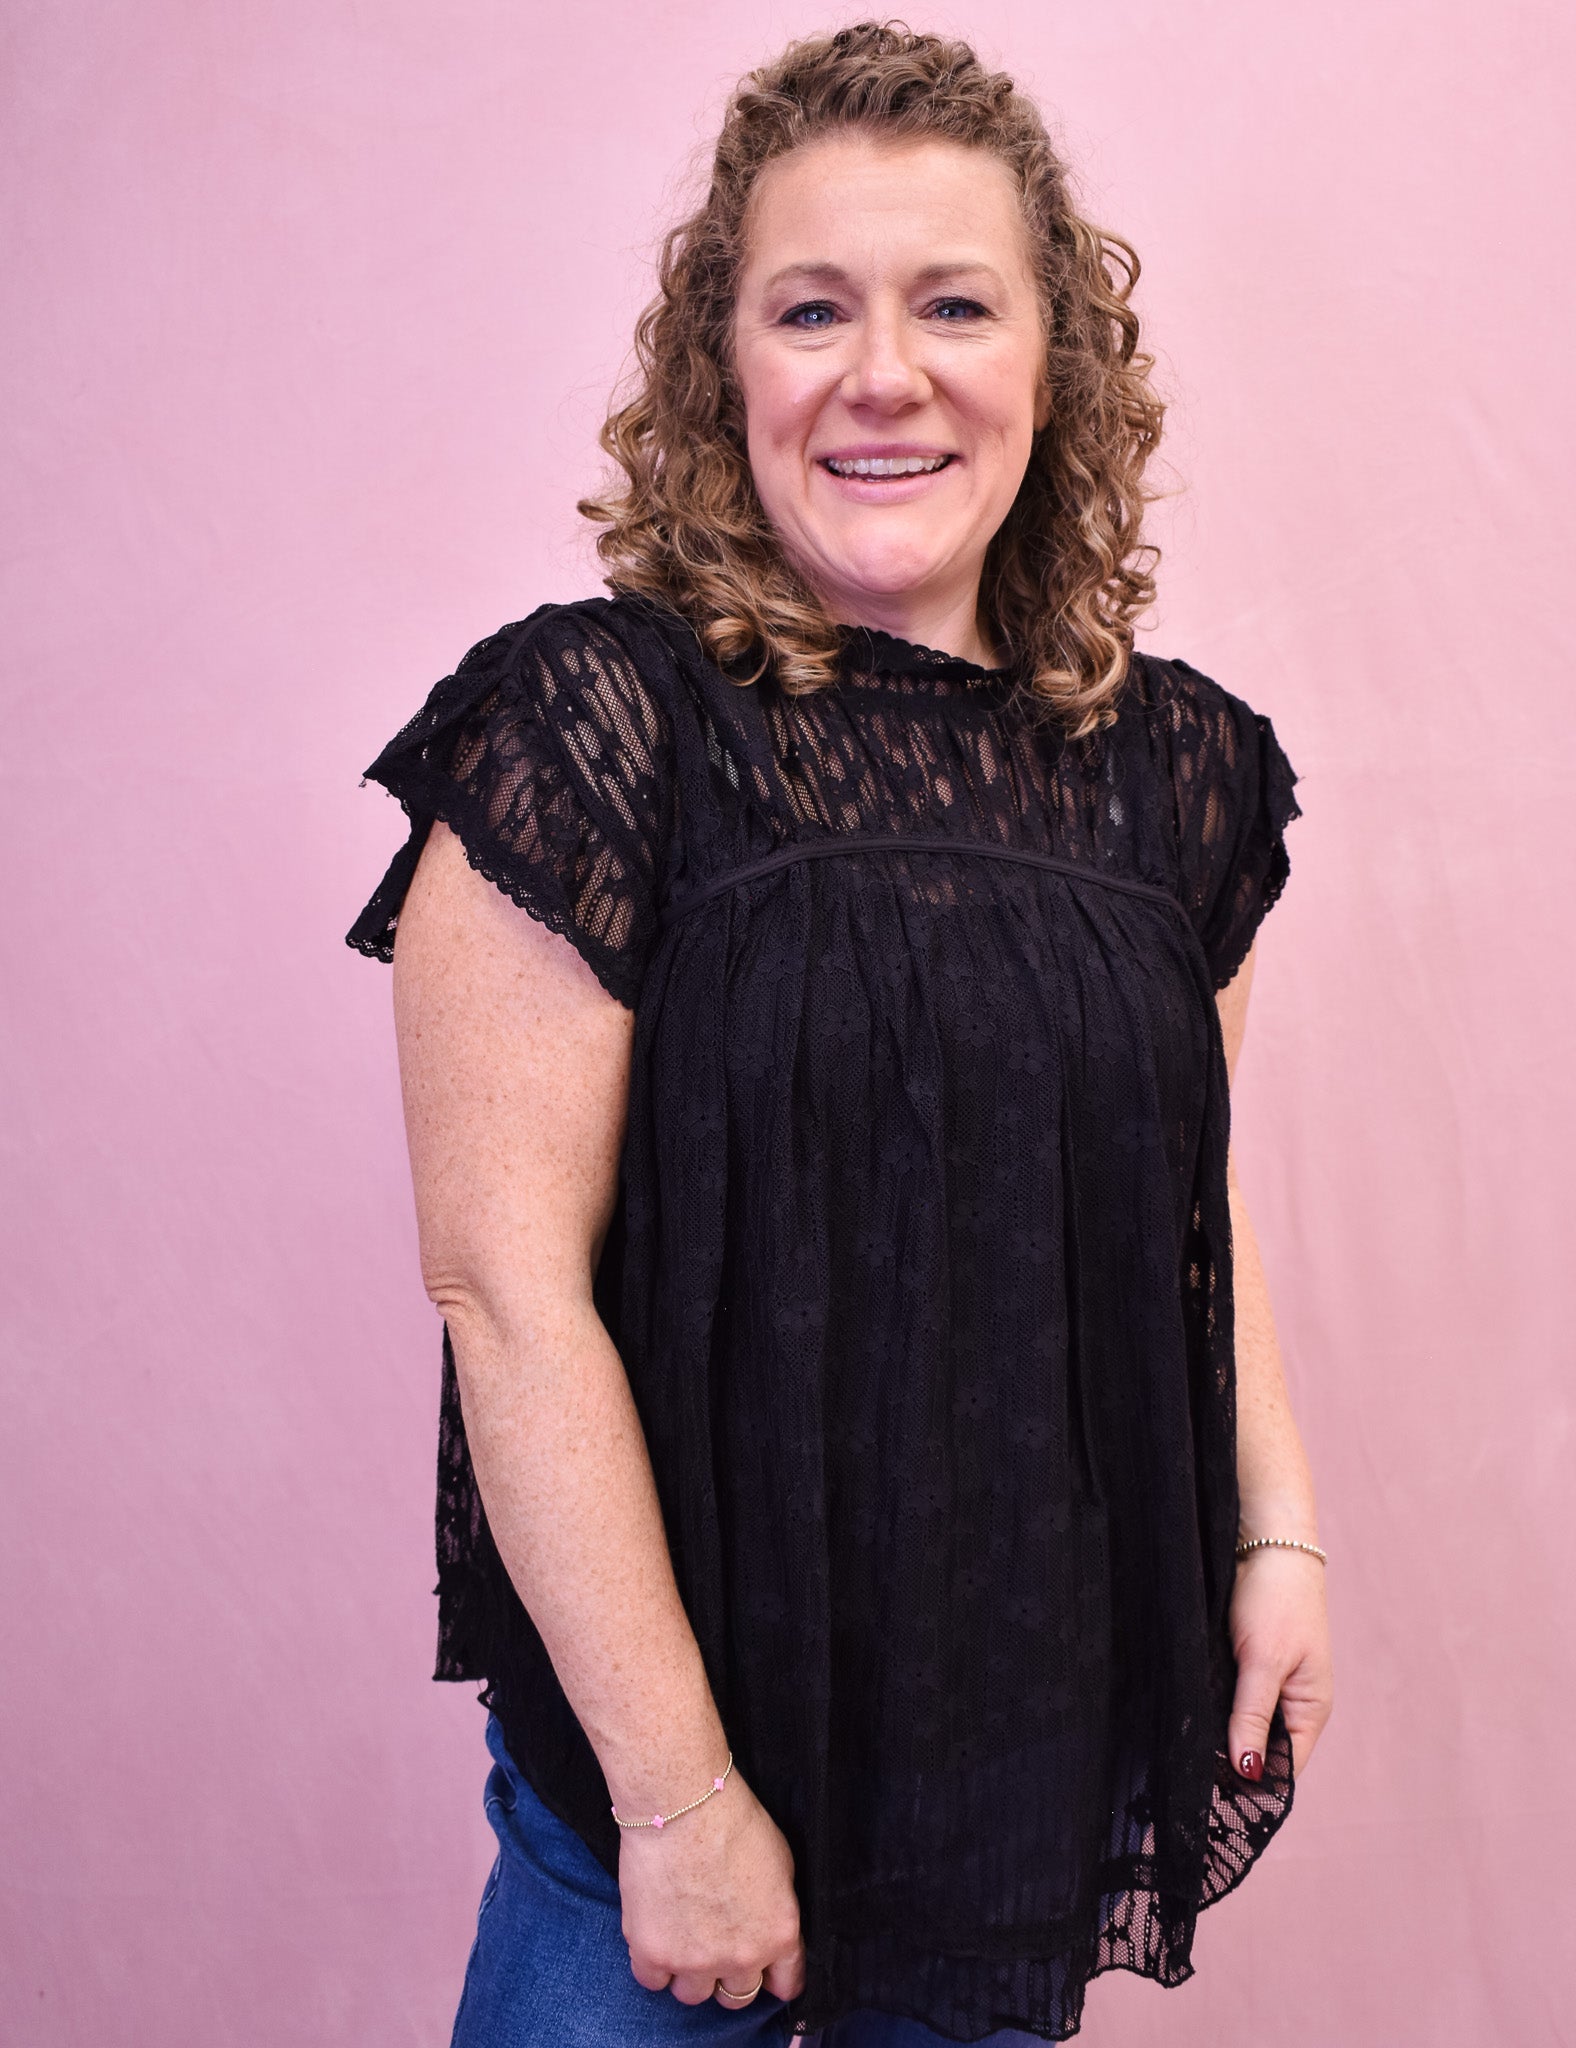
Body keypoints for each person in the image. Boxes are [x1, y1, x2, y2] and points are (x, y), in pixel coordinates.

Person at [346, 22, 1333, 2046]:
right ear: (731, 369)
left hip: (1008, 1786)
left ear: (1052, 364)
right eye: (814, 307)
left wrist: (1277, 1528)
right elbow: (505, 1285)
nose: (884, 371)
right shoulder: (591, 730)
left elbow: (1184, 1218)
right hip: (653, 1805)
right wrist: (680, 1799)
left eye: (952, 302)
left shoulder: (1182, 776)